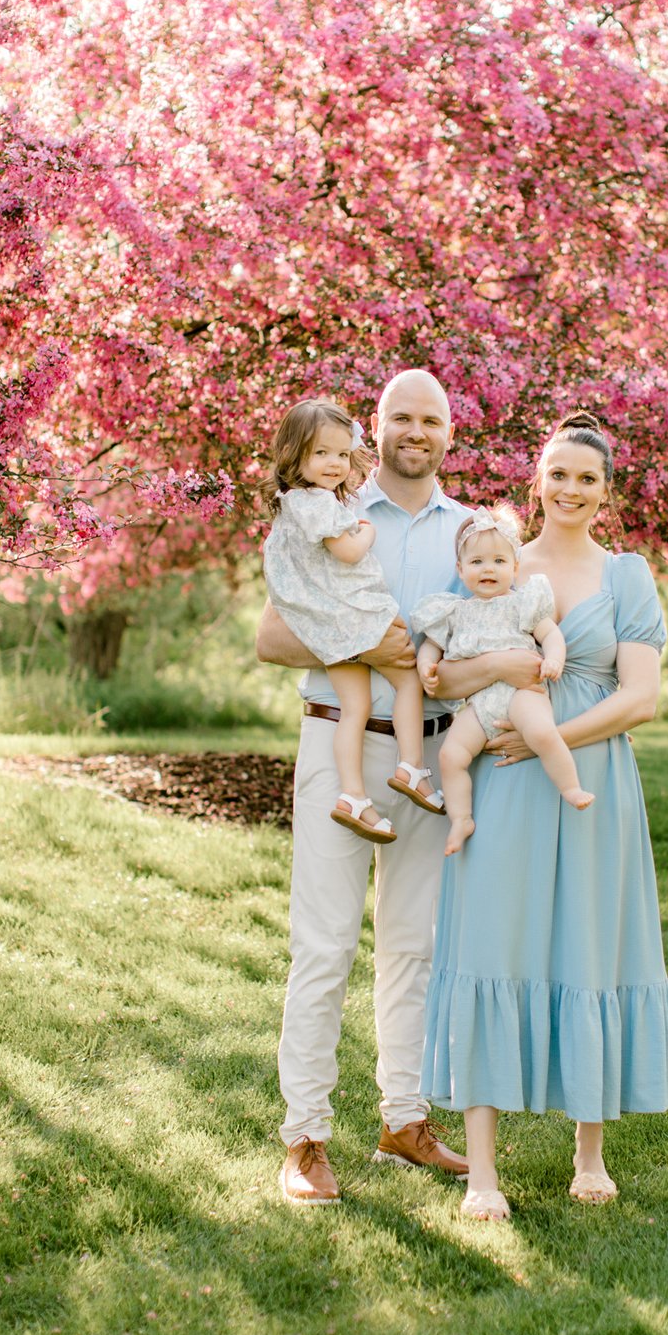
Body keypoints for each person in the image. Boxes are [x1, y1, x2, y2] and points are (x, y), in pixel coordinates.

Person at [257, 370, 536, 1204]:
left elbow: (498, 633)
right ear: (375, 431)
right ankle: (304, 1138)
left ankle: (403, 1120)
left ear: (450, 431)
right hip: (337, 747)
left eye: (432, 419)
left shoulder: (474, 532)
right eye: (401, 418)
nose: (417, 431)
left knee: (414, 946)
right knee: (325, 945)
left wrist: (493, 669)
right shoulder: (327, 508)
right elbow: (274, 636)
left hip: (435, 757)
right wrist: (374, 649)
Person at [421, 410, 668, 1221]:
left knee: (589, 946)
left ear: (606, 493)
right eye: (558, 473)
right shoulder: (494, 563)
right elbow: (444, 672)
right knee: (490, 941)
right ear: (535, 480)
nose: (570, 489)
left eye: (587, 478)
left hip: (588, 778)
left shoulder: (627, 576)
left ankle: (589, 1154)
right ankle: (482, 1174)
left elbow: (639, 698)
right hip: (500, 778)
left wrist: (546, 742)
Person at [261, 398, 444, 844]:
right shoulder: (320, 505)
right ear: (294, 454)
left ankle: (353, 797)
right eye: (321, 453)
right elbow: (347, 552)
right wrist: (366, 532)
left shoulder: (295, 505)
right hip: (355, 617)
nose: (334, 463)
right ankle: (412, 767)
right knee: (408, 681)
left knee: (354, 710)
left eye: (342, 455)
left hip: (329, 625)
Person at [412, 504, 594, 856]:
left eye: (498, 561)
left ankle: (570, 787)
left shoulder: (522, 603)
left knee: (541, 732)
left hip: (522, 691)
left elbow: (551, 634)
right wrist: (426, 666)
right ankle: (461, 818)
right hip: (479, 703)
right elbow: (431, 647)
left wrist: (554, 658)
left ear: (515, 566)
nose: (488, 569)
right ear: (460, 569)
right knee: (451, 755)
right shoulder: (455, 611)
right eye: (477, 562)